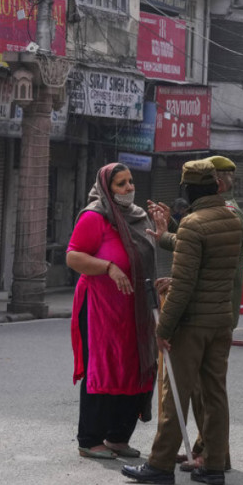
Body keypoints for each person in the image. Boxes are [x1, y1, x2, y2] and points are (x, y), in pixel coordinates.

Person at [121, 159, 243, 485]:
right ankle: (214, 465)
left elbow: (184, 283)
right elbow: (201, 252)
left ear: (190, 189)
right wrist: (169, 232)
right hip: (220, 321)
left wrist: (163, 330)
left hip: (192, 324)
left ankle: (160, 465)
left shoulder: (193, 223)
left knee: (173, 395)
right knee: (215, 395)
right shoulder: (231, 219)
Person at [66, 163, 157, 459]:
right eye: (121, 183)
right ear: (107, 187)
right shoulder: (95, 216)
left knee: (133, 366)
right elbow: (73, 257)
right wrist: (108, 267)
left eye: (130, 181)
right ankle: (90, 439)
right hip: (100, 308)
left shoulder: (138, 217)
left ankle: (119, 437)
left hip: (134, 310)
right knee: (104, 367)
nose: (129, 187)